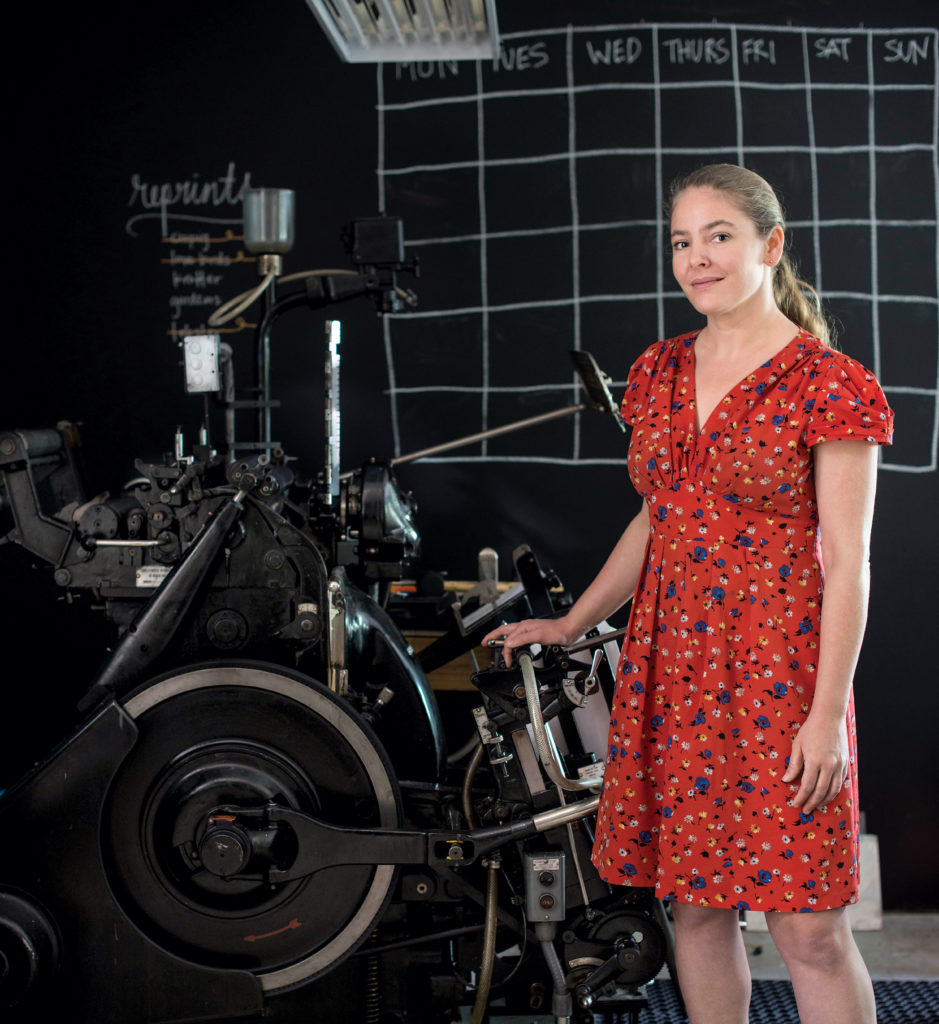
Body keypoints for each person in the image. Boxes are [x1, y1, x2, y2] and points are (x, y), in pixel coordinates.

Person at [484, 163, 893, 1024]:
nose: (695, 258)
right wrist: (571, 622)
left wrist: (825, 715)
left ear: (769, 246)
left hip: (781, 678)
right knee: (696, 908)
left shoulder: (828, 381)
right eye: (680, 241)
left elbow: (849, 561)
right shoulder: (658, 370)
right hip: (674, 672)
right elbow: (658, 518)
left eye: (717, 236)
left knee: (808, 928)